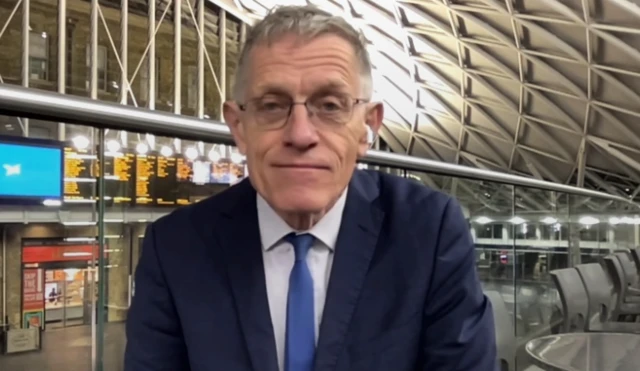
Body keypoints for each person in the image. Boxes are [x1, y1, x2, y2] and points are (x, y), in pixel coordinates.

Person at [124, 5, 497, 371]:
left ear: (367, 127)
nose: (301, 134)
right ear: (239, 127)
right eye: (272, 105)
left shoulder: (428, 231)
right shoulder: (175, 248)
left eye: (330, 105)